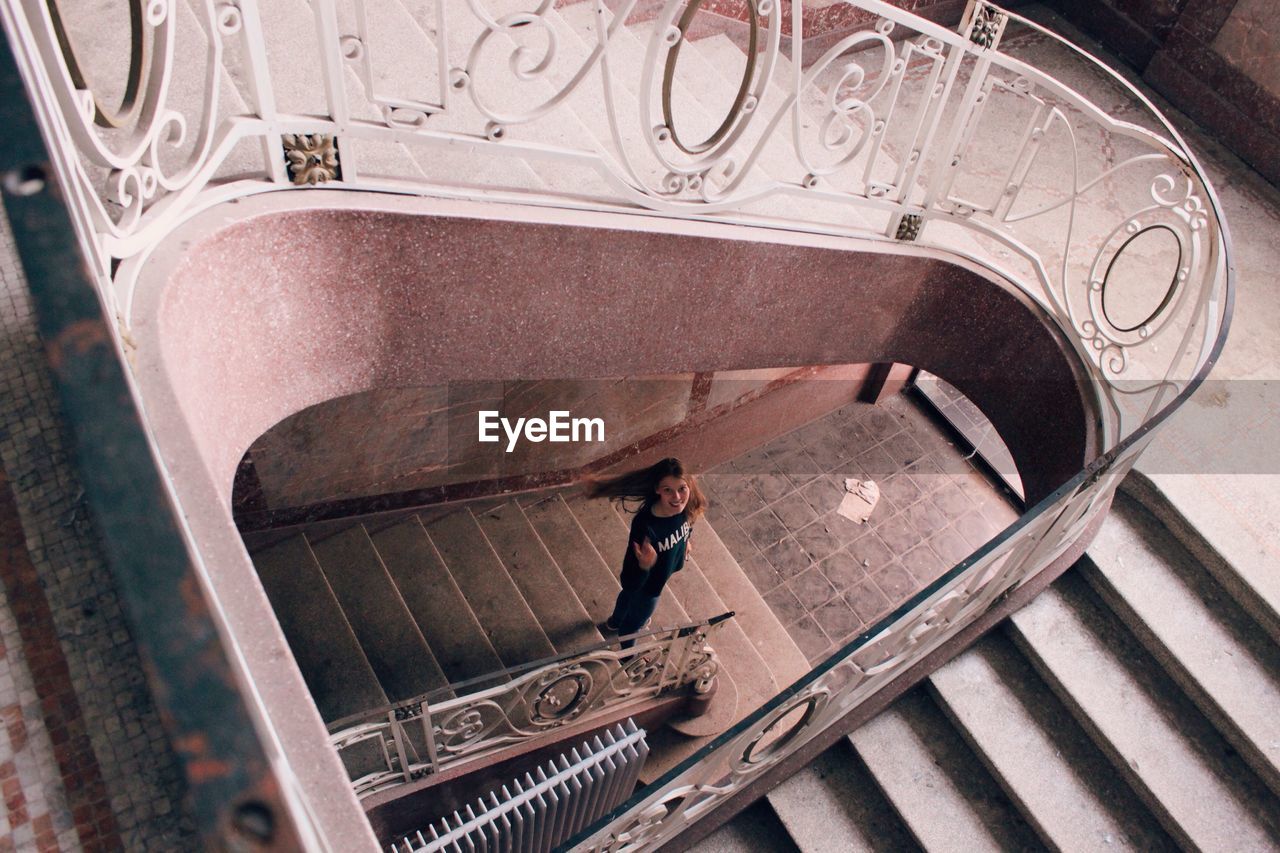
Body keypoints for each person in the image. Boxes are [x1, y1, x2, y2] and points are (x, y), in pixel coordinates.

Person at [584, 457, 707, 647]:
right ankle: (628, 659)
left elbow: (687, 524)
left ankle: (614, 622)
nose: (677, 497)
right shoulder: (646, 527)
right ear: (657, 490)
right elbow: (629, 580)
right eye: (668, 490)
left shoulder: (685, 507)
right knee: (633, 624)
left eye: (682, 489)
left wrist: (686, 540)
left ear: (689, 485)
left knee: (627, 598)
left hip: (658, 575)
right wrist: (644, 565)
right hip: (649, 586)